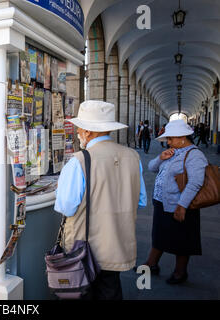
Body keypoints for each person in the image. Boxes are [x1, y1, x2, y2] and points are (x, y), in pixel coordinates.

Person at [54, 100, 147, 300]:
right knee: (110, 289)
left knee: (80, 293)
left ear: (88, 132)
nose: (78, 132)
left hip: (85, 248)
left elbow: (66, 207)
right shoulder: (133, 157)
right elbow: (140, 200)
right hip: (118, 244)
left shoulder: (79, 161)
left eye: (80, 128)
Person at [142, 119, 208, 284]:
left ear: (182, 138)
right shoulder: (172, 152)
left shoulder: (195, 155)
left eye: (170, 138)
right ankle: (151, 264)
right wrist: (160, 157)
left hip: (180, 205)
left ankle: (180, 272)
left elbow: (195, 182)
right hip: (162, 202)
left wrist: (182, 205)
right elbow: (151, 167)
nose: (168, 142)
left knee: (182, 240)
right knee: (159, 235)